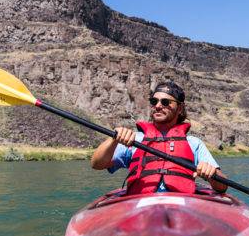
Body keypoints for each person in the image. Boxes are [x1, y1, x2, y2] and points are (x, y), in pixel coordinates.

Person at [91, 81, 228, 194]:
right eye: (154, 101)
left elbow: (222, 186)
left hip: (181, 208)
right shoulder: (135, 139)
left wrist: (212, 174)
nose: (157, 106)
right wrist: (113, 139)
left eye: (165, 102)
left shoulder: (193, 143)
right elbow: (97, 164)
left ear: (180, 108)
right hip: (141, 207)